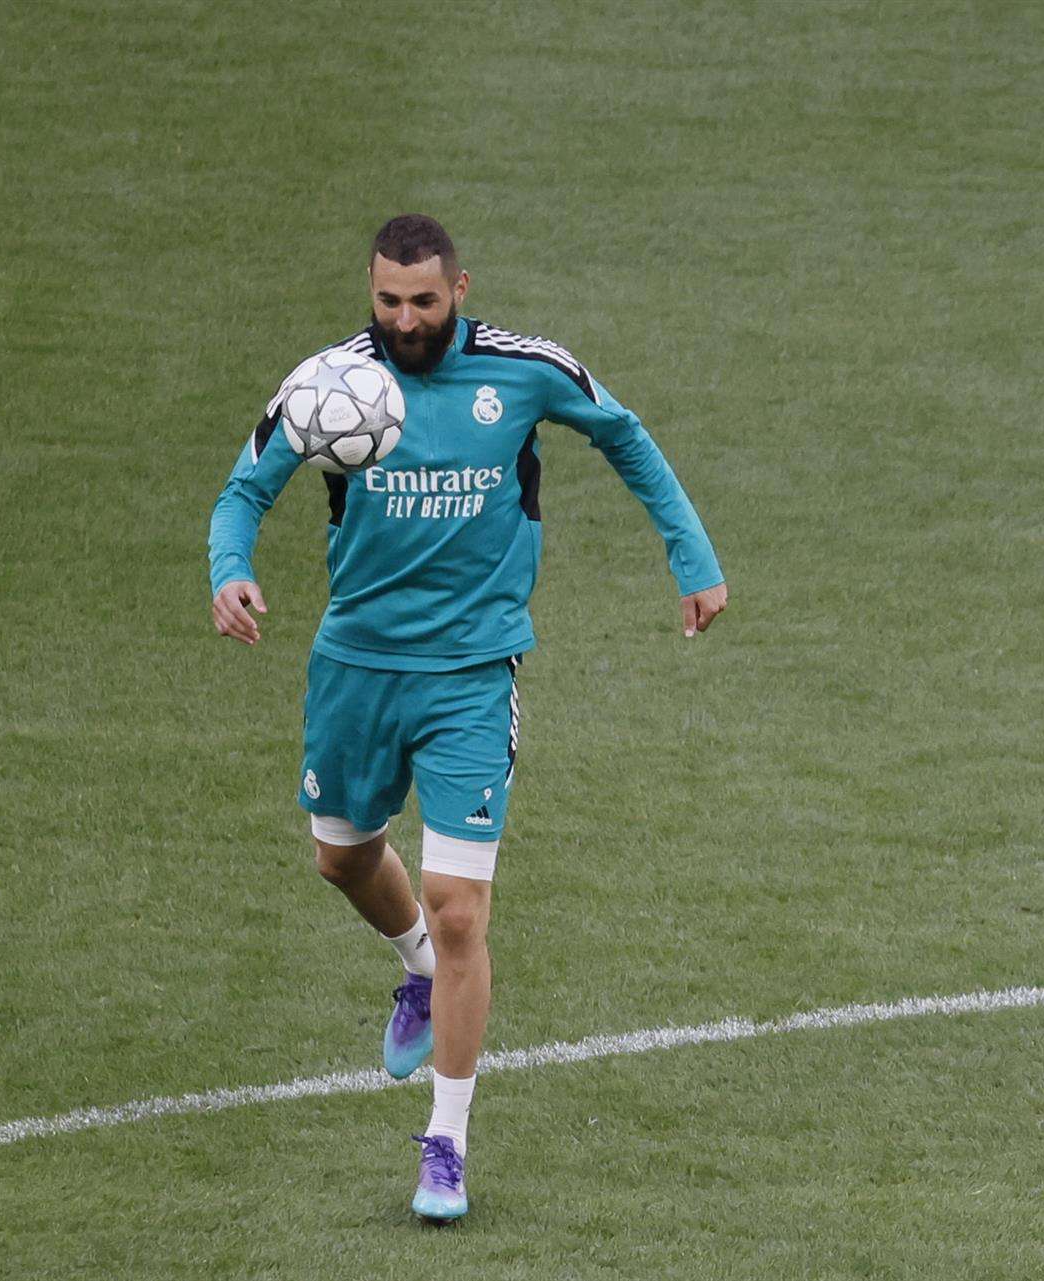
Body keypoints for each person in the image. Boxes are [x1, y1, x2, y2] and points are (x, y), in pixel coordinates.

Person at [207, 214, 726, 1222]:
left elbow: (624, 435)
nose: (404, 321)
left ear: (460, 290)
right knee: (342, 858)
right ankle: (414, 969)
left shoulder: (526, 371)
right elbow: (242, 491)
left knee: (458, 908)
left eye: (424, 302)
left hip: (472, 674)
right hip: (356, 667)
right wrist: (230, 569)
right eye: (387, 301)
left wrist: (692, 557)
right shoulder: (328, 384)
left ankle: (445, 1143)